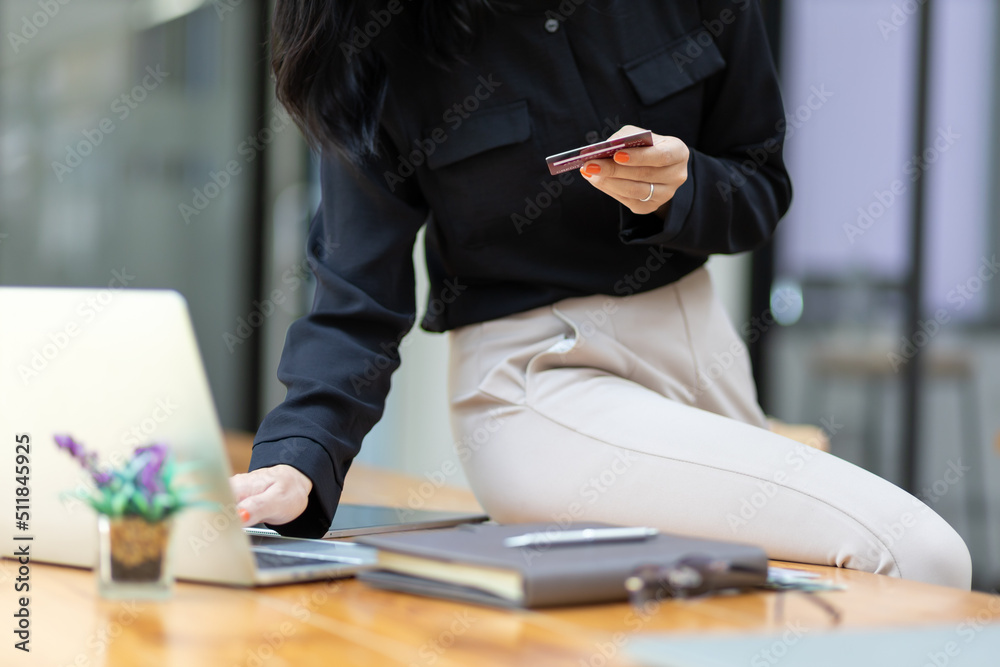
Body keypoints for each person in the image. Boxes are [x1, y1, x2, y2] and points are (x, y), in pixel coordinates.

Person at [229, 0, 972, 589]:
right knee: (919, 553)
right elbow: (356, 295)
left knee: (776, 615)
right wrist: (302, 456)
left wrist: (683, 190)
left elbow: (760, 188)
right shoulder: (384, 36)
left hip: (702, 356)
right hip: (535, 383)